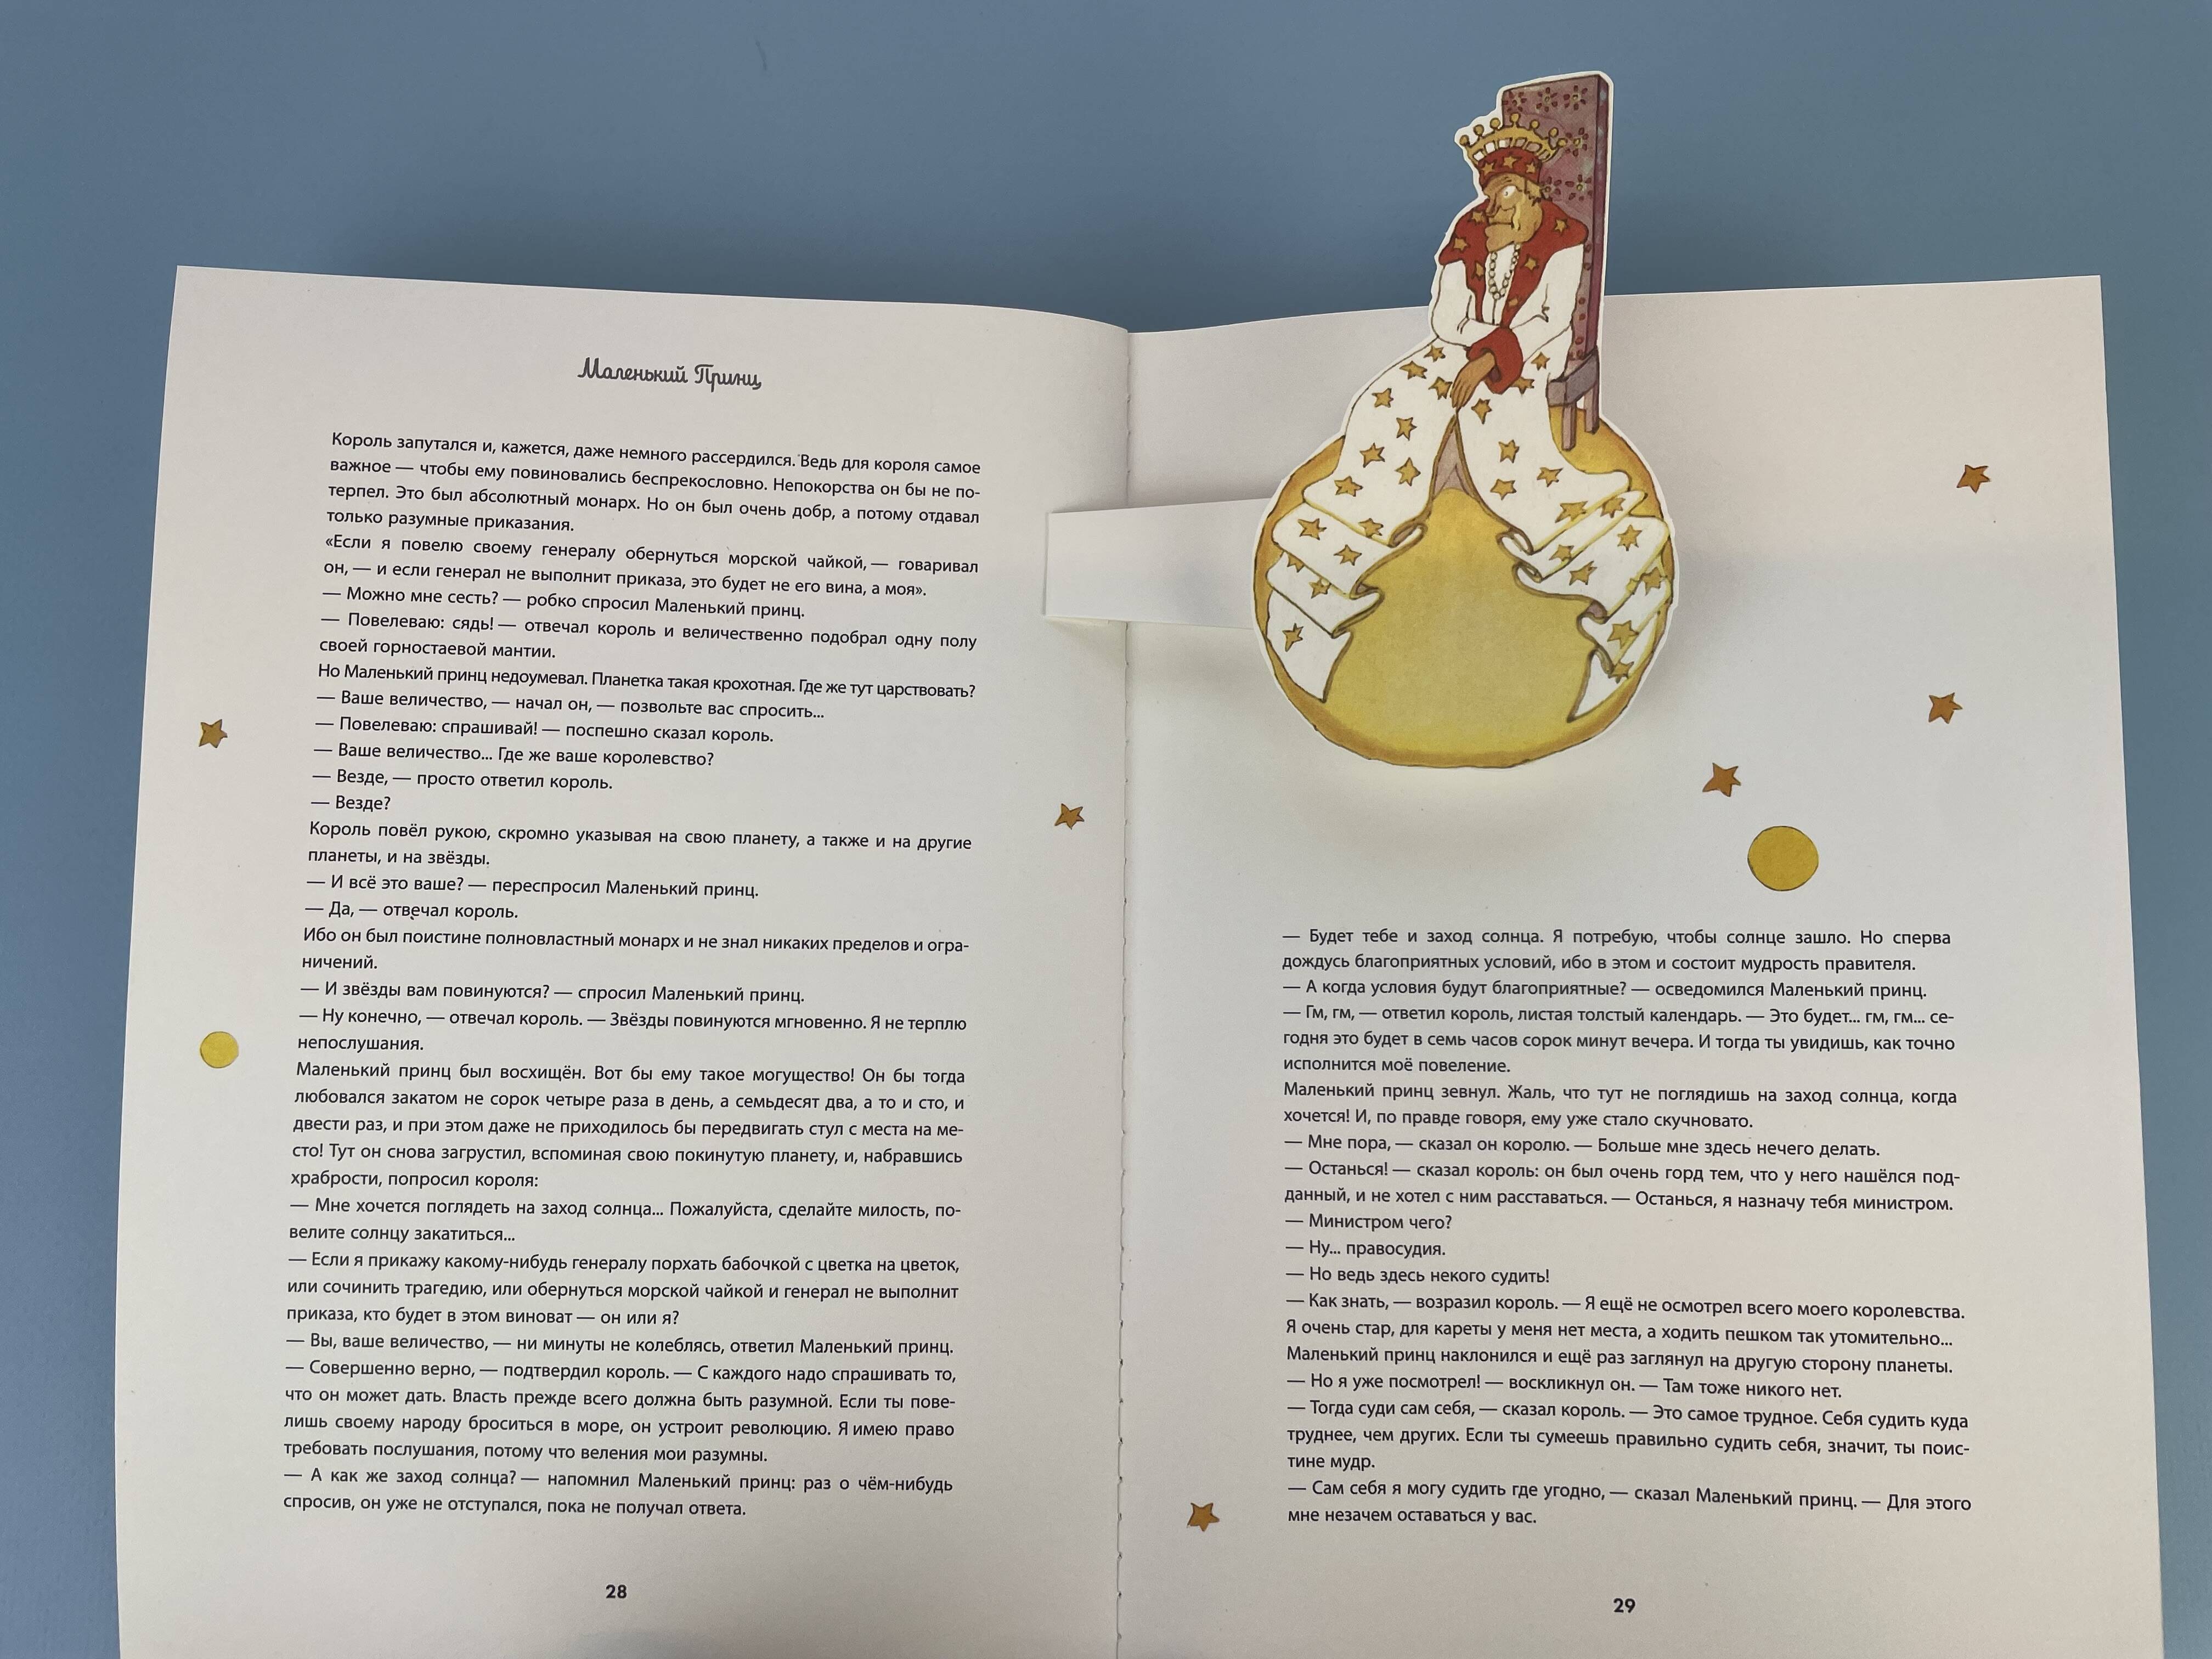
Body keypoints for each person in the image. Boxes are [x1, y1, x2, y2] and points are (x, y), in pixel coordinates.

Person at [1261, 112, 1672, 726]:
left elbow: (1551, 320)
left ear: (1532, 194)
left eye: (1511, 197)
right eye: (1492, 196)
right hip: (1463, 344)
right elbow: (1447, 318)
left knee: (1496, 421)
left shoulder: (1565, 237)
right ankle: (1337, 560)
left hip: (1531, 354)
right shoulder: (1470, 231)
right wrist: (1477, 347)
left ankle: (1589, 566)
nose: (1499, 210)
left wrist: (1492, 360)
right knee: (1387, 401)